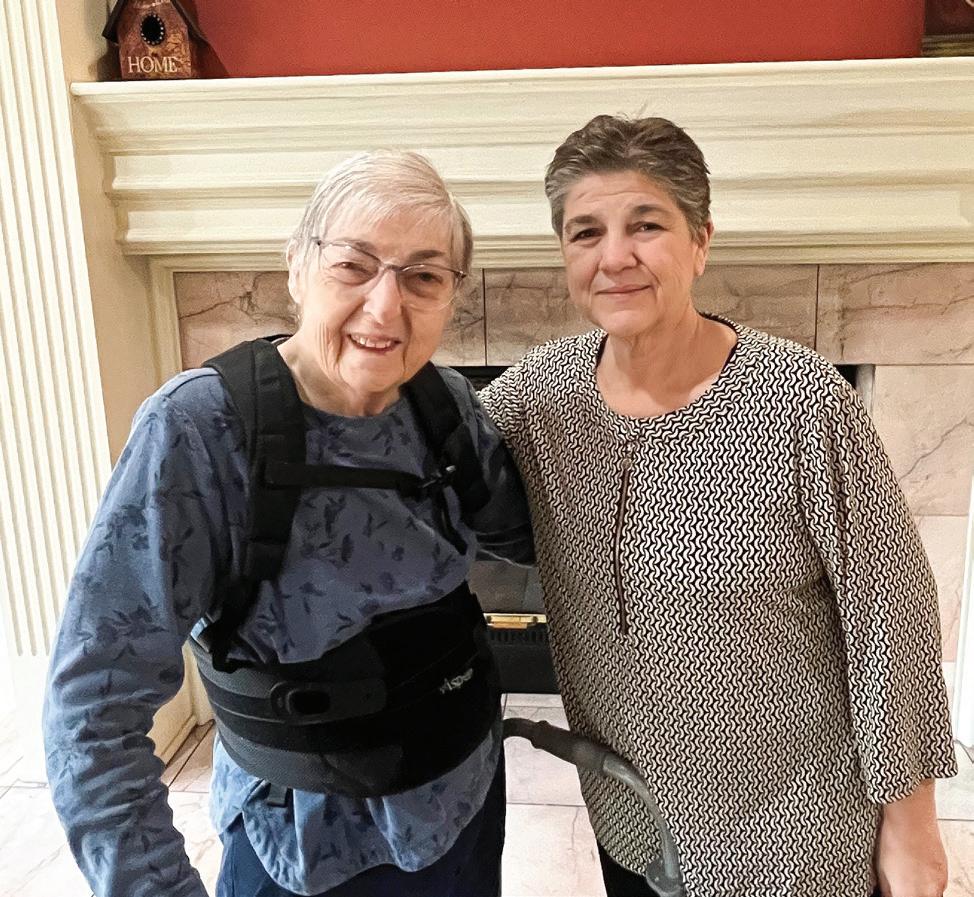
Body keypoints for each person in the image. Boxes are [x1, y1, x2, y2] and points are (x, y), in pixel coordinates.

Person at [478, 115, 956, 897]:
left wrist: (911, 820)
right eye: (585, 232)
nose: (614, 256)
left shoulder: (801, 400)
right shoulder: (539, 395)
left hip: (797, 836)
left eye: (646, 225)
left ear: (700, 241)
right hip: (635, 819)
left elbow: (889, 613)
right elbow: (421, 460)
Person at [43, 150, 532, 897]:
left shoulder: (448, 407)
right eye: (353, 266)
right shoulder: (199, 429)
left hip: (462, 810)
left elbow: (535, 537)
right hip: (303, 854)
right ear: (297, 265)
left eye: (423, 277)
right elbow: (93, 707)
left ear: (452, 295)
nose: (385, 307)